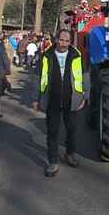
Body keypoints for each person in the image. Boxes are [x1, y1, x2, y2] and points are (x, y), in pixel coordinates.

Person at [34, 29, 89, 176]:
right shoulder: (46, 56)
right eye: (61, 40)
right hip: (52, 99)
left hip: (72, 100)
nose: (64, 43)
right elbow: (38, 78)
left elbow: (84, 76)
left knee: (72, 130)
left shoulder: (76, 55)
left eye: (67, 40)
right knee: (52, 131)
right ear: (56, 39)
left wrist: (85, 95)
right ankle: (53, 162)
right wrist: (36, 98)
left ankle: (69, 154)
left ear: (70, 42)